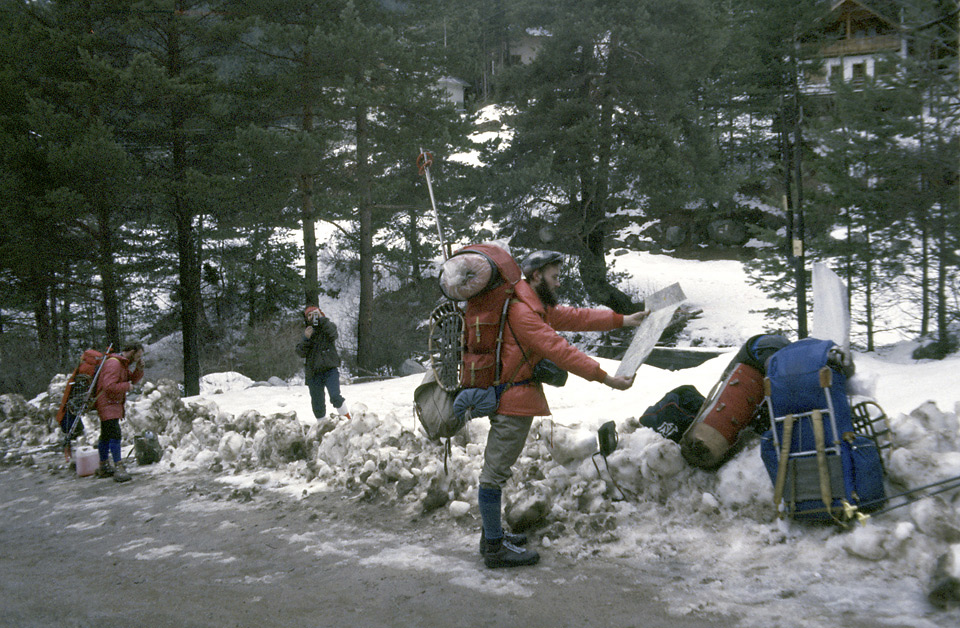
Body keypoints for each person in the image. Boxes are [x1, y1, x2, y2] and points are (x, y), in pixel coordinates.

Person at [478, 250, 649, 568]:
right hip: (512, 401)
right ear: (536, 275)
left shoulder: (531, 304)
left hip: (517, 397)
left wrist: (623, 320)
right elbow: (560, 349)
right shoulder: (523, 313)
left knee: (497, 470)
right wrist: (607, 378)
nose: (558, 283)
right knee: (494, 473)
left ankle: (493, 534)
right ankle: (493, 546)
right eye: (554, 277)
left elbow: (576, 317)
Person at [94, 342, 144, 483]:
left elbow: (131, 379)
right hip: (107, 403)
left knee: (106, 434)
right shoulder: (114, 364)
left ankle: (103, 465)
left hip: (112, 403)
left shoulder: (122, 364)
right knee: (115, 433)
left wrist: (139, 370)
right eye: (138, 355)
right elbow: (109, 386)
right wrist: (127, 386)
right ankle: (118, 466)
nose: (138, 358)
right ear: (132, 352)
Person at [297, 306, 350, 421]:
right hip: (313, 373)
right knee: (317, 403)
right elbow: (300, 352)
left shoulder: (328, 326)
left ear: (321, 313)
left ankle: (348, 419)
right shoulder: (306, 331)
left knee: (336, 397)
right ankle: (322, 427)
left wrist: (322, 320)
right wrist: (306, 338)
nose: (312, 317)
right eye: (309, 315)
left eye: (315, 314)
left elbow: (333, 334)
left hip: (329, 369)